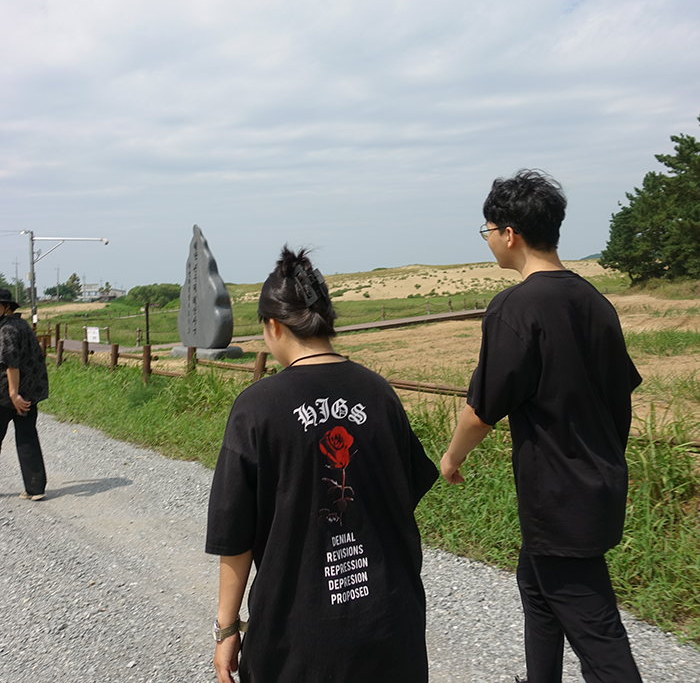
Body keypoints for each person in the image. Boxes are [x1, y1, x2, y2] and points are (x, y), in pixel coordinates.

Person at [441, 171, 643, 683]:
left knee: (599, 638)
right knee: (536, 587)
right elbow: (620, 396)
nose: (488, 239)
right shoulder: (595, 302)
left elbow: (482, 410)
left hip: (559, 497)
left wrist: (451, 457)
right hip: (596, 484)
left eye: (488, 230)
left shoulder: (516, 307)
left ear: (509, 233)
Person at [206, 246, 438, 683]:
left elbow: (234, 536)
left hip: (297, 641)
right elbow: (401, 496)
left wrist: (226, 628)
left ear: (274, 326)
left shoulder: (257, 408)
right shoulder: (379, 393)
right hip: (391, 626)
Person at [0, 288, 49, 500]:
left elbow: (11, 364)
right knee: (27, 437)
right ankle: (35, 488)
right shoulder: (22, 325)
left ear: (6, 307)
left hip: (6, 395)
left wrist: (13, 394)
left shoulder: (7, 329)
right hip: (28, 393)